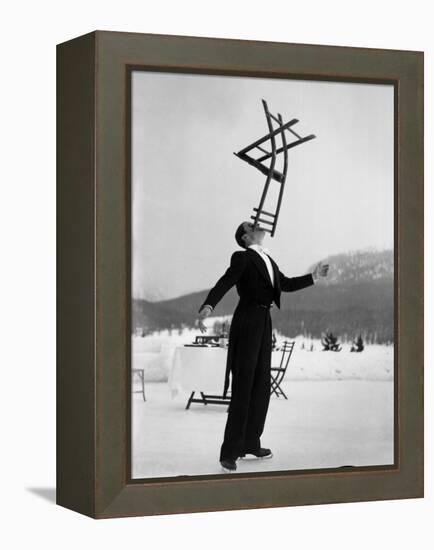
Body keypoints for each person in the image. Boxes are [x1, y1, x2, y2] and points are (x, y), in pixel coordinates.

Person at [197, 221, 329, 473]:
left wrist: (314, 277)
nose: (259, 225)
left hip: (264, 321)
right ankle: (230, 453)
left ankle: (251, 442)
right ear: (245, 237)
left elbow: (286, 284)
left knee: (261, 386)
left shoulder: (268, 260)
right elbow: (225, 282)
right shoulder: (243, 257)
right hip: (247, 320)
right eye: (252, 225)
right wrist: (208, 305)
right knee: (243, 386)